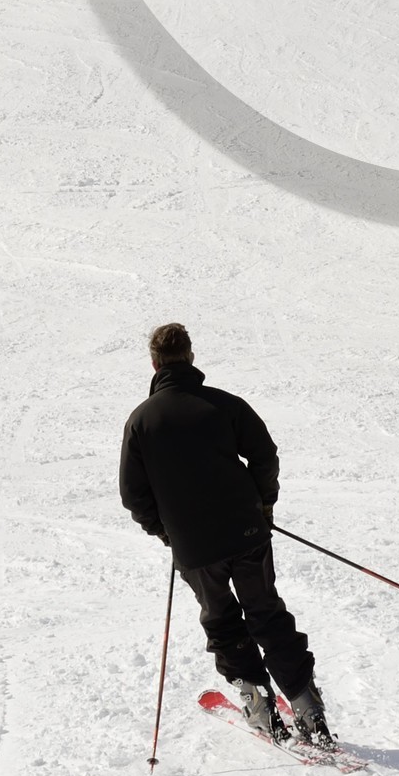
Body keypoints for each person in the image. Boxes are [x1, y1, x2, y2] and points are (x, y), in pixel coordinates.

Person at [120, 321, 334, 749]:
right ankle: (306, 702)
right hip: (247, 531)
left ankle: (257, 702)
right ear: (191, 357)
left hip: (196, 547)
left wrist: (168, 533)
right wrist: (263, 504)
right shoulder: (224, 405)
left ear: (154, 362)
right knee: (266, 612)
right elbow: (264, 455)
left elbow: (134, 495)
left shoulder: (141, 422)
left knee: (222, 621)